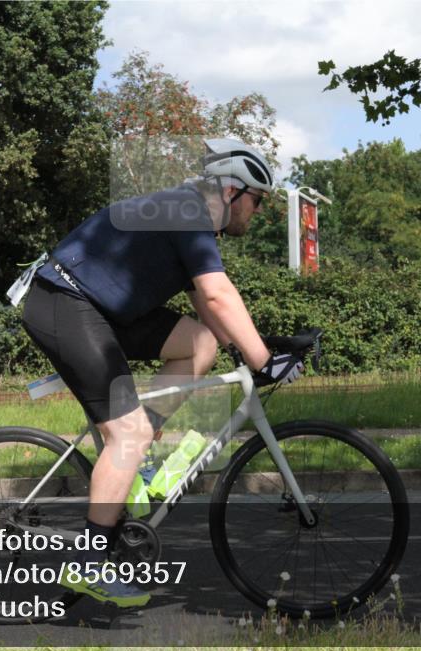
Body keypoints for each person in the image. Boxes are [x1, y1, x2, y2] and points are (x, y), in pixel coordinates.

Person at [19, 138, 306, 607]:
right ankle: (88, 563)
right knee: (126, 433)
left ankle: (135, 460)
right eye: (257, 201)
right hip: (64, 303)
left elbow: (205, 306)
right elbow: (217, 294)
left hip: (100, 307)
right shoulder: (188, 212)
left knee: (200, 343)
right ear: (232, 191)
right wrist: (264, 362)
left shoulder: (191, 214)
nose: (258, 212)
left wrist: (245, 349)